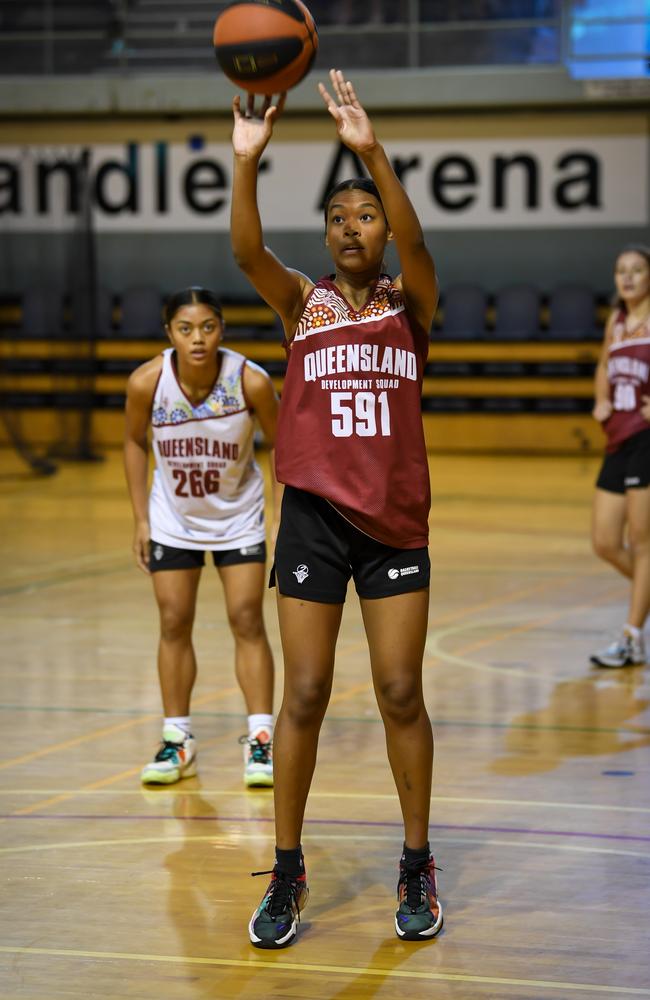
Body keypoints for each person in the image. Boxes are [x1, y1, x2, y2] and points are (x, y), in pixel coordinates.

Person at [230, 69, 442, 948]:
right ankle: (286, 869)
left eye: (365, 216)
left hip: (393, 521)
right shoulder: (301, 306)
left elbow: (420, 241)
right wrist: (247, 162)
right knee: (306, 693)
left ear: (384, 229)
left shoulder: (409, 303)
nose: (350, 226)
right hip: (315, 518)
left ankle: (416, 860)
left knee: (399, 690)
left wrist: (370, 152)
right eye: (337, 218)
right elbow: (247, 253)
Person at [123, 286, 281, 786]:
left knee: (246, 617)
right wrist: (141, 519)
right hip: (174, 518)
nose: (197, 338)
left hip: (239, 514)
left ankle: (261, 739)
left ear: (221, 331)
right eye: (185, 329)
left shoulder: (249, 381)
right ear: (169, 333)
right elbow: (131, 441)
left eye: (207, 327)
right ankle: (178, 740)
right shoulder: (148, 382)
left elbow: (281, 444)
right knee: (173, 619)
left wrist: (278, 516)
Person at [591, 245, 650, 668]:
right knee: (606, 541)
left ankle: (631, 638)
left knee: (642, 543)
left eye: (637, 271)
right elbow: (603, 367)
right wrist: (601, 400)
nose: (627, 278)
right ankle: (642, 598)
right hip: (618, 438)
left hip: (647, 438)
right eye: (621, 271)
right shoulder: (617, 320)